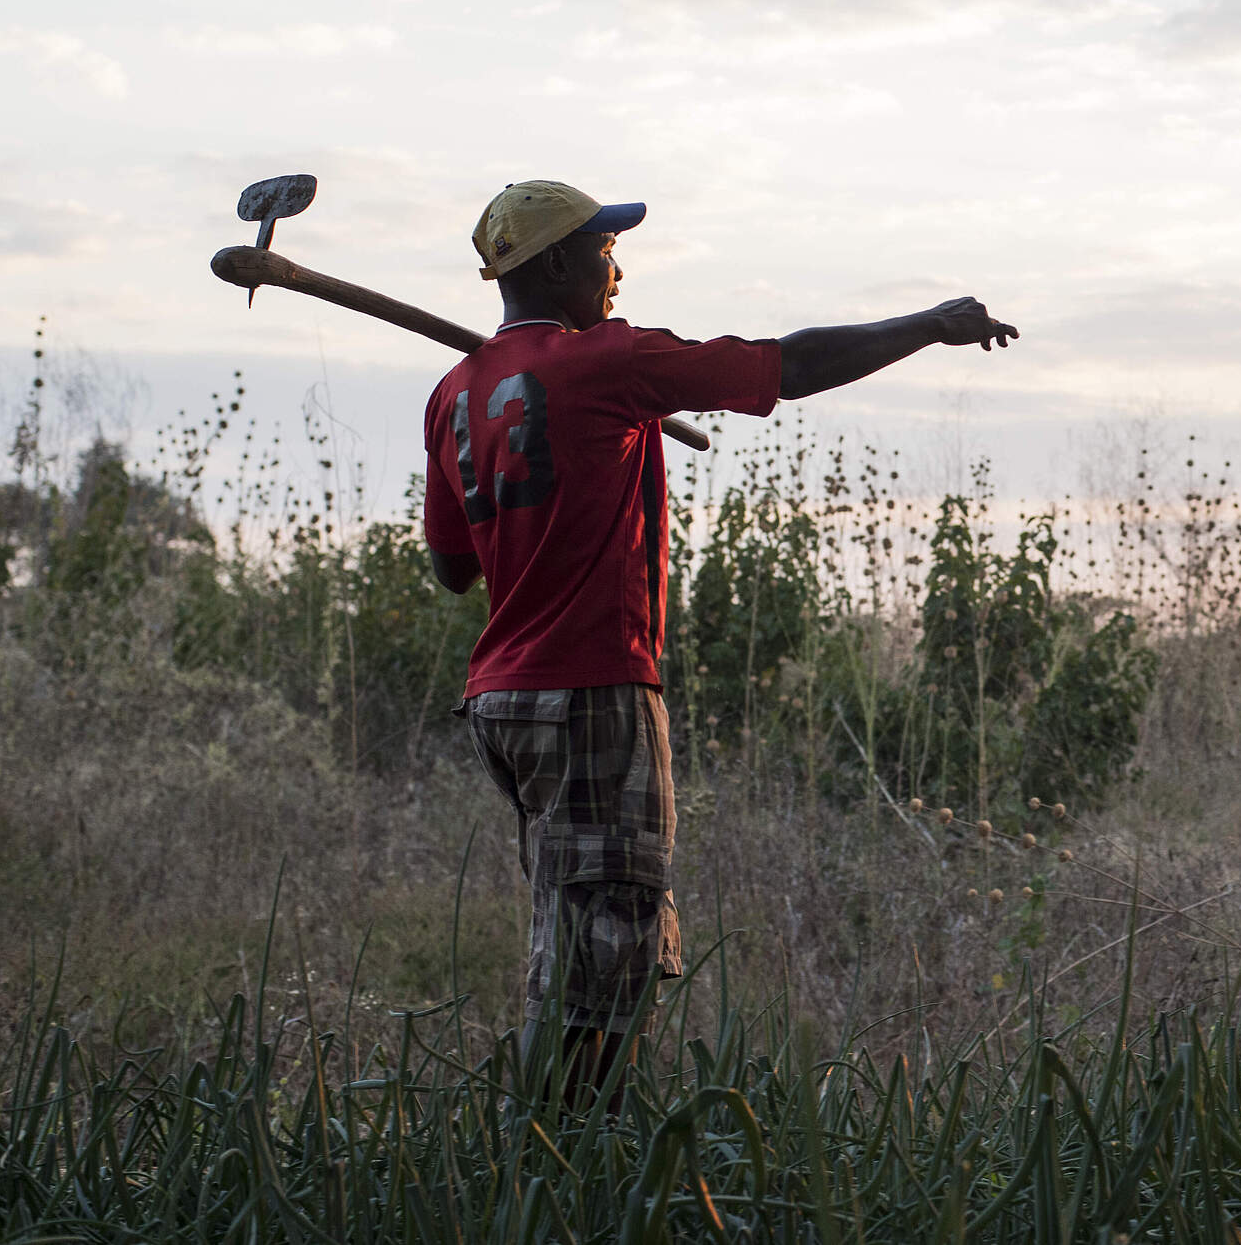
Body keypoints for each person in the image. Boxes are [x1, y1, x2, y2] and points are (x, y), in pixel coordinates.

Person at [421, 180, 1016, 1105]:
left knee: (568, 934)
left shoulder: (455, 395)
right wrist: (928, 325)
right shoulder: (609, 362)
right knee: (606, 959)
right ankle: (559, 1154)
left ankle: (557, 1146)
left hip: (503, 704)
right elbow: (790, 365)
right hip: (592, 696)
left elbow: (452, 566)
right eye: (603, 252)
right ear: (555, 263)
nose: (616, 271)